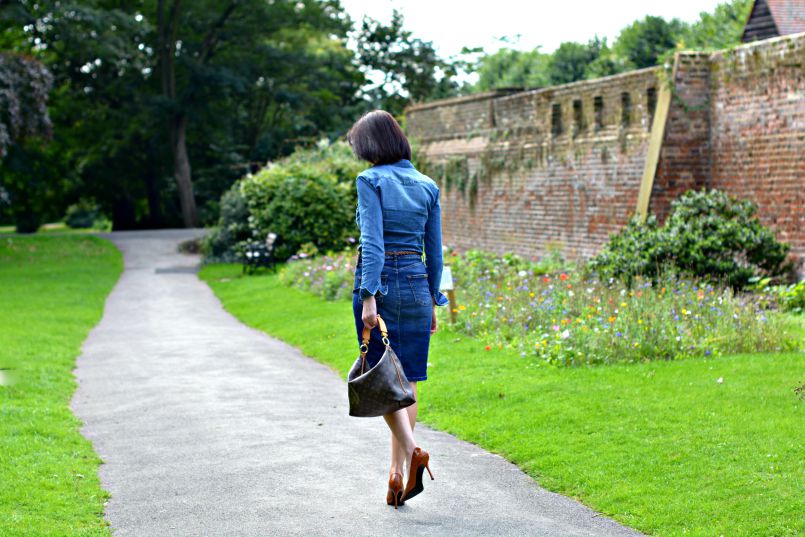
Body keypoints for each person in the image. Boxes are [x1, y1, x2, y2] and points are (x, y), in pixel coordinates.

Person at [347, 110, 450, 509]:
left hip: (382, 282)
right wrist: (433, 299)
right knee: (406, 381)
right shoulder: (427, 184)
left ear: (371, 146)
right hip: (416, 281)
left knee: (380, 375)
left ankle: (412, 452)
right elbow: (435, 250)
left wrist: (369, 295)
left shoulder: (370, 180)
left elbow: (372, 243)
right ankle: (395, 473)